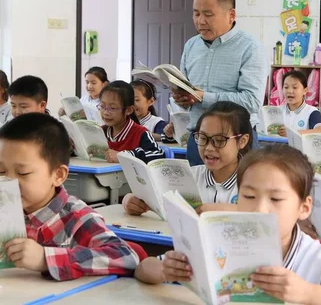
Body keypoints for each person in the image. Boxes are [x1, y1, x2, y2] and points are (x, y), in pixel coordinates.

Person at [136, 144, 321, 305]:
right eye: (248, 196)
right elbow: (143, 270)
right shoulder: (215, 240)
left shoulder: (316, 260)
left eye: (276, 199)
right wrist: (165, 271)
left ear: (304, 208)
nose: (260, 209)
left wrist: (307, 294)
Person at [0, 113, 139, 280]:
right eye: (1, 171)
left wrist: (46, 259)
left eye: (23, 173)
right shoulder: (6, 210)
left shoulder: (76, 218)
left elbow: (127, 257)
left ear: (58, 175)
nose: (8, 181)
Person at [171, 0, 268, 166]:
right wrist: (183, 98)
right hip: (198, 140)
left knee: (238, 194)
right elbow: (188, 90)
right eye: (196, 13)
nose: (200, 21)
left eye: (208, 14)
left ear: (231, 15)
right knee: (198, 194)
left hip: (235, 141)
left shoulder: (250, 48)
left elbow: (252, 101)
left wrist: (203, 97)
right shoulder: (191, 46)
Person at [123, 101, 251, 216]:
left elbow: (266, 215)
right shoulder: (187, 176)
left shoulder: (254, 182)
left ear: (242, 141)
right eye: (203, 138)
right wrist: (130, 200)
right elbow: (154, 199)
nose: (209, 148)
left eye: (219, 140)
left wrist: (225, 210)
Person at [98, 81, 165, 163]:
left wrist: (124, 156)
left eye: (113, 108)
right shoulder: (101, 132)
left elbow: (158, 155)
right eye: (102, 106)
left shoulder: (141, 133)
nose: (105, 112)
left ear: (129, 110)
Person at [278, 70, 321, 137]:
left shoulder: (311, 112)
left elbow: (320, 131)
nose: (290, 91)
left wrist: (292, 133)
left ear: (305, 91)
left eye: (295, 87)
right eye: (286, 87)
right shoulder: (277, 110)